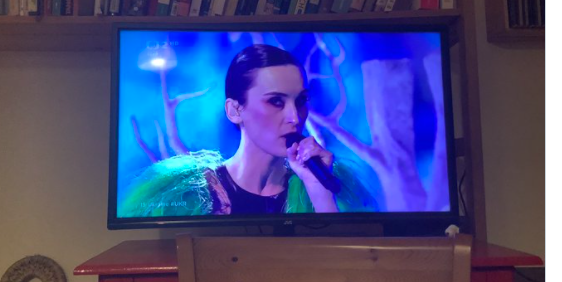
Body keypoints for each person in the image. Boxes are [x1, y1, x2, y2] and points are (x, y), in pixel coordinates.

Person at [119, 44, 378, 217]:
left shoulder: (321, 181)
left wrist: (317, 187)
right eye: (276, 101)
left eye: (301, 101)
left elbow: (346, 267)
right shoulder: (187, 194)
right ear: (234, 110)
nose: (295, 117)